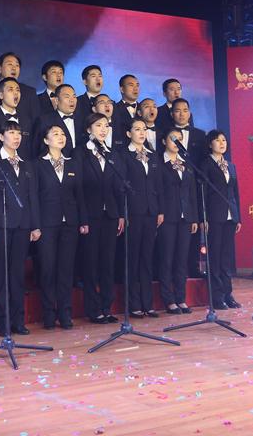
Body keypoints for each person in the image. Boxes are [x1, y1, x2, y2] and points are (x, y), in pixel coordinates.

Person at [0, 121, 41, 336]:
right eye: (11, 133)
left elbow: (32, 196)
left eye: (18, 133)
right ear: (1, 137)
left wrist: (35, 225)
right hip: (1, 225)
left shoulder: (26, 164)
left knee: (17, 274)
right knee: (1, 274)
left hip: (22, 225)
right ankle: (3, 321)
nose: (16, 137)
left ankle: (18, 320)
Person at [34, 124, 87, 329]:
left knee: (66, 269)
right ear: (46, 140)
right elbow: (34, 198)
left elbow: (79, 194)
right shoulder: (37, 164)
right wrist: (35, 225)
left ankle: (65, 313)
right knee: (48, 269)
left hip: (70, 223)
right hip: (47, 224)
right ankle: (48, 314)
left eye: (63, 134)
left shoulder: (72, 163)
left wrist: (83, 221)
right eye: (55, 134)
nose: (60, 137)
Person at [80, 112, 125, 324]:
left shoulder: (112, 153)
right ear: (89, 129)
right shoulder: (80, 152)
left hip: (111, 215)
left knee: (108, 262)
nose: (103, 129)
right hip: (91, 215)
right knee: (90, 263)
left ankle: (107, 307)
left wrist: (121, 214)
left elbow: (119, 187)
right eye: (98, 125)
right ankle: (93, 309)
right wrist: (82, 218)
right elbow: (79, 189)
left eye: (106, 126)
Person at [120, 118, 163, 318]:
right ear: (129, 134)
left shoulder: (153, 155)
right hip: (133, 212)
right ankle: (134, 304)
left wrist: (160, 210)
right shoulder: (124, 155)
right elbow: (121, 186)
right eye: (137, 129)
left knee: (147, 257)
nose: (141, 132)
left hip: (151, 211)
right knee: (133, 258)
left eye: (143, 129)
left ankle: (148, 303)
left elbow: (158, 185)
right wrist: (124, 212)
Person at [157, 129, 198, 314]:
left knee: (182, 259)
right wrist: (159, 212)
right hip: (168, 216)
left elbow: (192, 192)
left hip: (185, 217)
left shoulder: (186, 163)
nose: (176, 142)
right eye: (173, 139)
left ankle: (181, 298)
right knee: (166, 258)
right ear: (164, 141)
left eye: (179, 139)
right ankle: (168, 299)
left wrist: (194, 217)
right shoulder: (159, 163)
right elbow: (157, 190)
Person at [200, 130, 242, 309]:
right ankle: (216, 296)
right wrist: (203, 217)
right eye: (217, 140)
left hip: (230, 216)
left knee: (226, 257)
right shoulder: (205, 165)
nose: (222, 143)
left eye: (224, 140)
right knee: (215, 257)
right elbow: (202, 194)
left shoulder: (230, 166)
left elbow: (235, 193)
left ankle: (228, 294)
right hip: (214, 216)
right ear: (210, 144)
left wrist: (238, 217)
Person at [0, 77, 34, 161]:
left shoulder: (26, 119)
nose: (15, 93)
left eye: (18, 90)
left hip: (25, 166)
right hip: (0, 165)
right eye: (10, 90)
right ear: (0, 95)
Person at [0, 52, 38, 121]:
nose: (14, 68)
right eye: (10, 64)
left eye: (17, 65)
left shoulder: (30, 92)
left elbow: (36, 120)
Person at [33, 83, 78, 157]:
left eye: (74, 96)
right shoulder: (45, 120)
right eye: (67, 97)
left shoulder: (83, 119)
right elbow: (37, 148)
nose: (72, 100)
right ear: (56, 100)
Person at [75, 64, 104, 130]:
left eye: (100, 76)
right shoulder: (76, 102)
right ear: (85, 82)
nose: (98, 79)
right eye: (93, 76)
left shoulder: (111, 104)